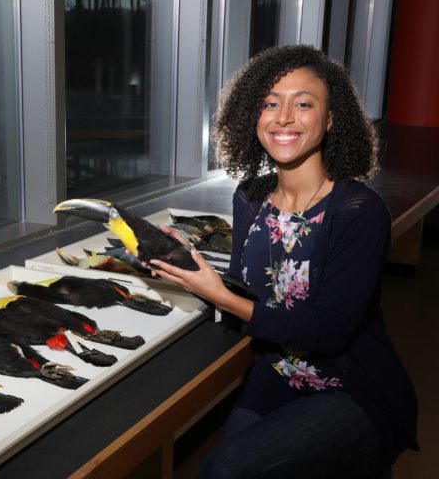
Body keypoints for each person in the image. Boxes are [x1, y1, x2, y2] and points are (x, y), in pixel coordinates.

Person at [149, 44, 419, 478]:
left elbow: (328, 331)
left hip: (350, 389)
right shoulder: (251, 198)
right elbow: (246, 294)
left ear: (331, 120)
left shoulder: (358, 211)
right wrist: (189, 265)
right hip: (275, 376)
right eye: (270, 104)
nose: (284, 117)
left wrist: (218, 294)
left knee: (223, 471)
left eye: (304, 104)